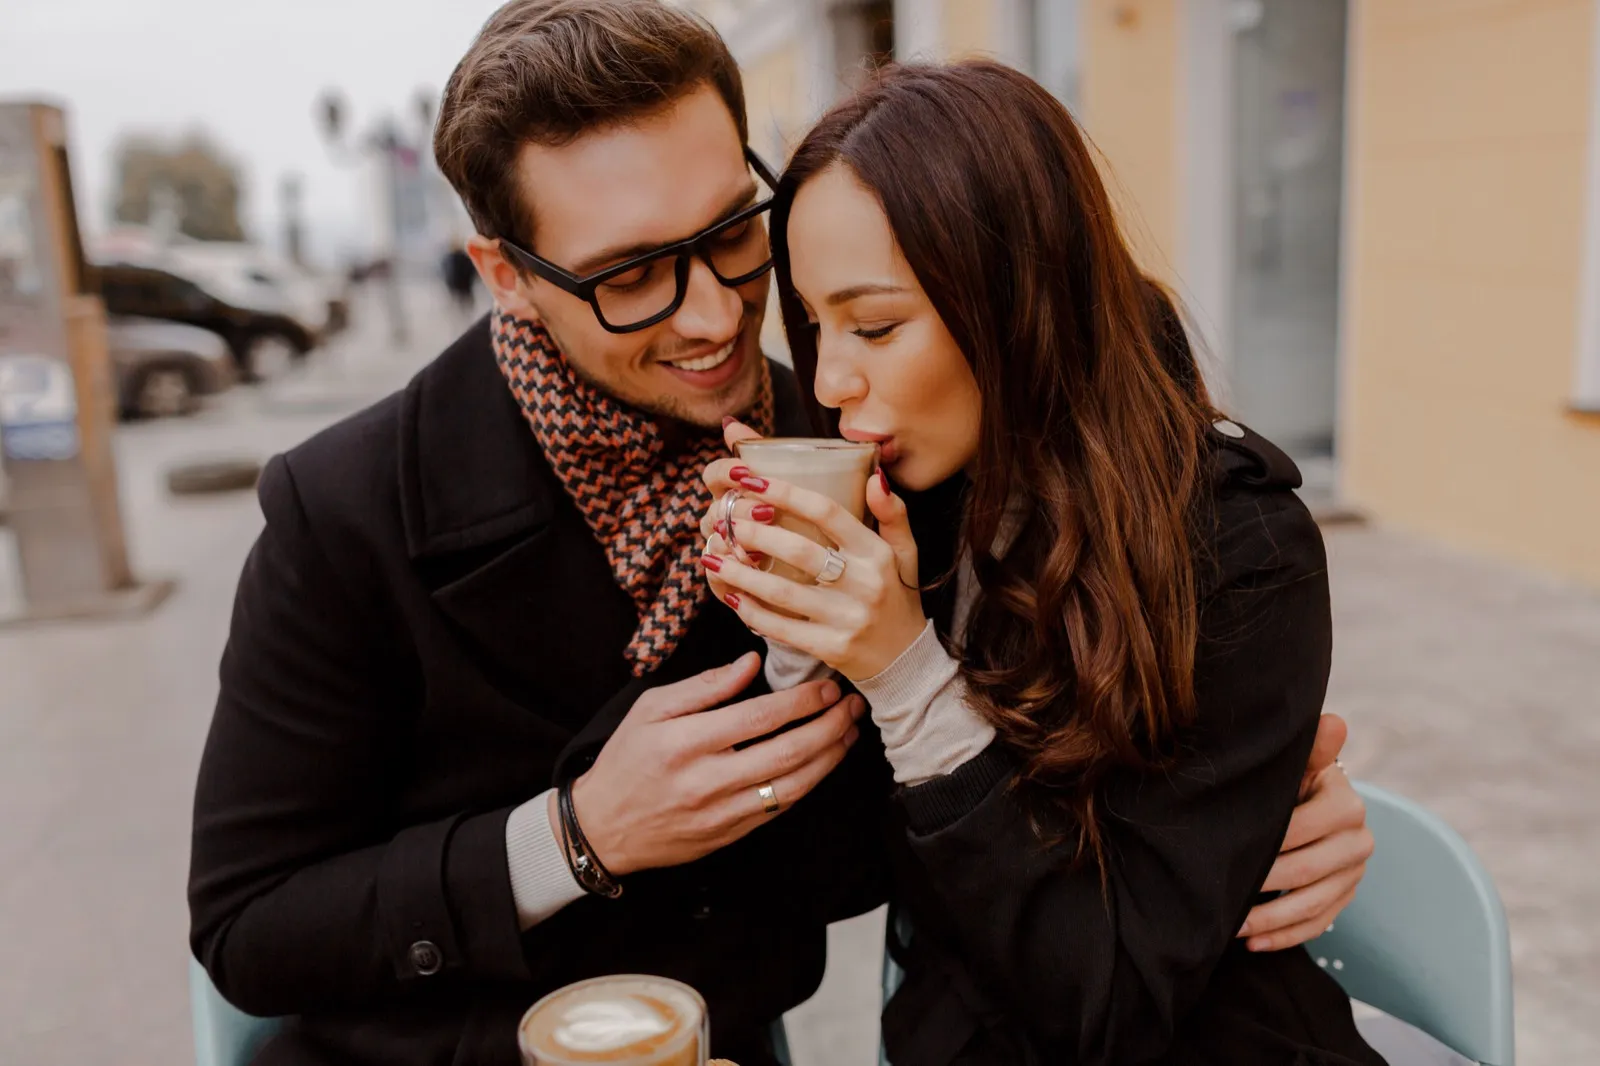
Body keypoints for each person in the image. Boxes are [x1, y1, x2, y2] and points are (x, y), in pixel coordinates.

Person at [187, 4, 1370, 1065]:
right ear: (504, 272)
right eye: (630, 277)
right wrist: (574, 837)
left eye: (731, 235)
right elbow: (247, 925)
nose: (713, 319)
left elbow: (953, 796)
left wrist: (1235, 822)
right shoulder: (345, 509)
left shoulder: (852, 447)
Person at [698, 61, 1383, 1065]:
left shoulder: (1241, 547)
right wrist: (799, 630)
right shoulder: (921, 506)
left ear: (1018, 299)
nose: (832, 379)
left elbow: (1105, 1004)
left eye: (877, 324)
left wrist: (904, 670)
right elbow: (831, 876)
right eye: (811, 323)